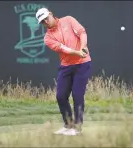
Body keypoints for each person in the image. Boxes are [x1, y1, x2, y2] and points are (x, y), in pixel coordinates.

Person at [36, 8, 91, 136]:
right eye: (42, 22)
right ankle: (68, 125)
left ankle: (77, 128)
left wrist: (83, 46)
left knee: (77, 95)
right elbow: (63, 48)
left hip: (83, 64)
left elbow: (82, 32)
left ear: (50, 14)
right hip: (66, 66)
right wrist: (78, 52)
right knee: (60, 96)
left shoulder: (68, 20)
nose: (45, 22)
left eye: (46, 18)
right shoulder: (48, 38)